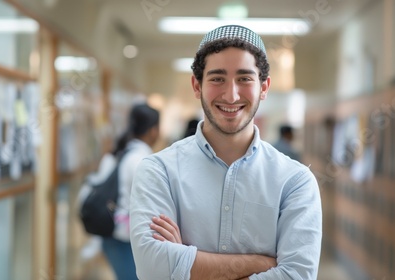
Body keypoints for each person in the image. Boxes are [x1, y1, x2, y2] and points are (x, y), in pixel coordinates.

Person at [129, 25, 322, 279]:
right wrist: (260, 264)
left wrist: (184, 263)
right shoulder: (158, 171)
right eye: (217, 78)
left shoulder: (294, 182)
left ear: (264, 87)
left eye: (244, 78)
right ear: (197, 86)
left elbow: (296, 276)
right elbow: (153, 270)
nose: (231, 95)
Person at [99, 103, 160, 280]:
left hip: (111, 233)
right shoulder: (143, 160)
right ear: (153, 131)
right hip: (126, 240)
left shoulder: (117, 152)